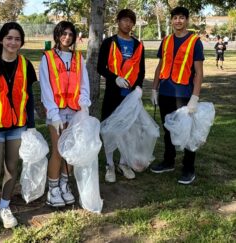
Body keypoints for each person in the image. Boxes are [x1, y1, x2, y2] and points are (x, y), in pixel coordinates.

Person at [0, 22, 37, 236]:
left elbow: (29, 99)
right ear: (1, 40)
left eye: (17, 39)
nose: (13, 42)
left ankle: (4, 206)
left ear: (21, 42)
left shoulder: (26, 65)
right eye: (9, 38)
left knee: (12, 169)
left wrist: (30, 126)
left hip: (17, 127)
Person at [39, 21, 91, 207]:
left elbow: (84, 84)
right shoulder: (48, 58)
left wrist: (84, 106)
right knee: (58, 150)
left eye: (70, 34)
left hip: (75, 111)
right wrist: (54, 115)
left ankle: (64, 184)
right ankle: (52, 189)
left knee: (70, 151)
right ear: (57, 35)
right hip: (57, 112)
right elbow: (46, 88)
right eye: (64, 33)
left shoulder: (78, 57)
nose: (67, 37)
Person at [150, 6, 204, 185]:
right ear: (171, 20)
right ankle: (168, 161)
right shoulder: (165, 40)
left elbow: (198, 72)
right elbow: (160, 66)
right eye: (175, 18)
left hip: (184, 94)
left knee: (187, 132)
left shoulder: (195, 41)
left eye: (182, 18)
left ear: (187, 20)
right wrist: (154, 89)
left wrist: (195, 98)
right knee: (168, 130)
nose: (178, 21)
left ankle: (189, 168)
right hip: (165, 92)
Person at [97, 9, 145, 183]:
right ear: (118, 22)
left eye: (131, 21)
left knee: (128, 129)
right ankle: (109, 164)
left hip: (130, 95)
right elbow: (100, 67)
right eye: (125, 20)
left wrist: (139, 87)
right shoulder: (109, 42)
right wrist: (114, 78)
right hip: (113, 93)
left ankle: (123, 163)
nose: (128, 24)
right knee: (109, 128)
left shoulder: (138, 45)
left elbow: (141, 69)